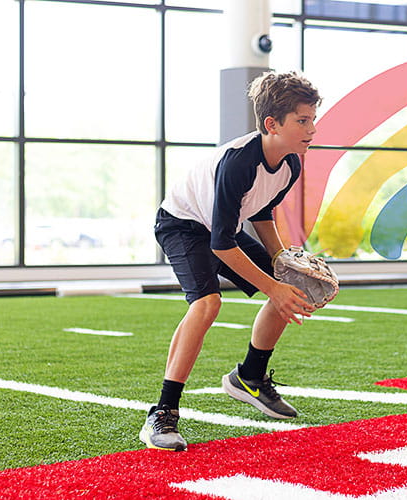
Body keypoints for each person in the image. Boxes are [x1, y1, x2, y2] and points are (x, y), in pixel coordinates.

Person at [139, 71, 322, 452]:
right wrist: (274, 286)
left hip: (221, 227)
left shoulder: (290, 164)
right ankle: (163, 412)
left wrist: (281, 262)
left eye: (313, 119)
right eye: (302, 121)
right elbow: (221, 244)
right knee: (208, 304)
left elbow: (261, 213)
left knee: (287, 285)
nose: (312, 128)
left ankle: (249, 378)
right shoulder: (239, 161)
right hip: (182, 225)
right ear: (272, 124)